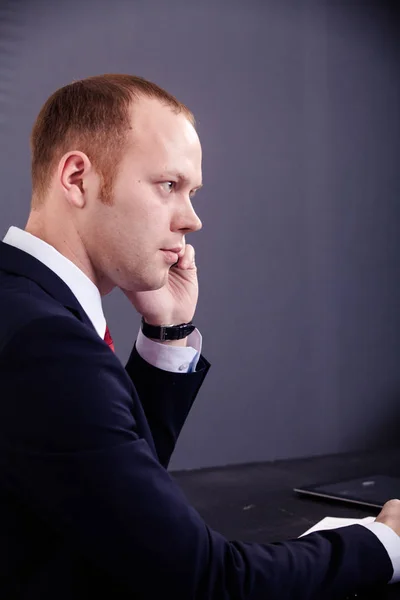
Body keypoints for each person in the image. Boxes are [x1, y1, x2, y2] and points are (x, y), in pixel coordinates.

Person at [0, 74, 399, 600]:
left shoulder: (25, 307)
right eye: (169, 185)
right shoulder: (47, 345)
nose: (192, 219)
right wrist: (384, 544)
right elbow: (205, 583)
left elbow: (114, 509)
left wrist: (167, 333)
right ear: (77, 178)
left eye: (192, 192)